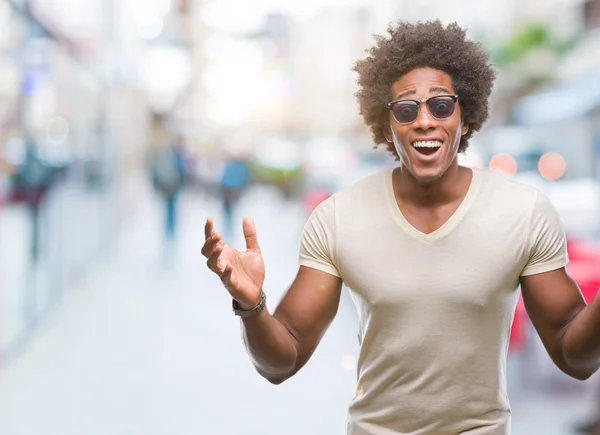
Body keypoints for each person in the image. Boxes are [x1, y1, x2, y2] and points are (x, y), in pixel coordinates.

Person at [202, 20, 600, 434]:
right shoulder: (340, 217)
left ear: (465, 116)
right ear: (387, 126)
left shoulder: (524, 212)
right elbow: (282, 360)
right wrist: (251, 306)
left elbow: (576, 357)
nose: (425, 121)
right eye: (406, 110)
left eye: (441, 106)